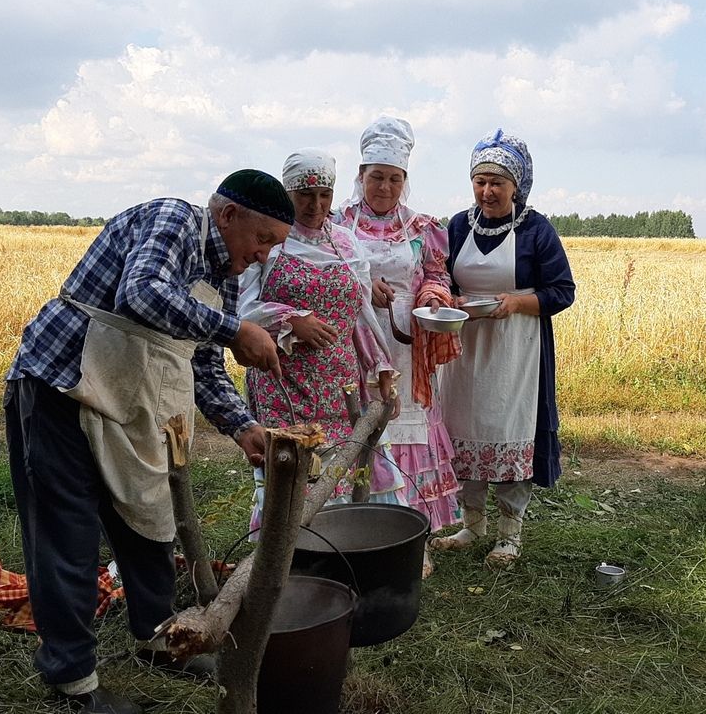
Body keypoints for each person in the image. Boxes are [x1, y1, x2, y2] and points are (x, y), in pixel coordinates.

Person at [4, 170, 292, 714]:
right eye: (262, 240)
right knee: (67, 534)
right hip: (62, 385)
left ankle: (157, 638)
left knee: (150, 520)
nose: (262, 256)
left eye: (273, 247)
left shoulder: (222, 278)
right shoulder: (175, 219)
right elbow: (142, 292)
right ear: (227, 215)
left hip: (132, 405)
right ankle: (74, 683)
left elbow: (202, 363)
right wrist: (236, 331)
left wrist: (242, 426)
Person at [430, 130, 576, 569]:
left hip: (517, 350)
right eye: (480, 181)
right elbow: (440, 279)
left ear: (516, 186)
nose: (487, 191)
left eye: (497, 182)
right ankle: (471, 525)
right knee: (463, 429)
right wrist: (446, 300)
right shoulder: (457, 225)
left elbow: (562, 291)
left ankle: (509, 534)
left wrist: (515, 303)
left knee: (510, 431)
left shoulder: (536, 230)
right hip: (463, 347)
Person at [239, 148, 404, 533]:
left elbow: (360, 314)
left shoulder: (346, 244)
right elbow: (243, 310)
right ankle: (285, 562)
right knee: (292, 472)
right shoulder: (271, 241)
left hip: (340, 384)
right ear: (287, 194)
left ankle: (339, 550)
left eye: (324, 194)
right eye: (305, 194)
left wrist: (379, 367)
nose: (316, 204)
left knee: (341, 471)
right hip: (284, 380)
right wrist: (292, 320)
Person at [334, 115, 462, 578]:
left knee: (408, 428)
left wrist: (431, 297)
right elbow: (329, 270)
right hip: (356, 340)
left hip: (407, 341)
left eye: (393, 178)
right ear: (361, 176)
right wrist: (363, 284)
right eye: (376, 177)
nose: (384, 187)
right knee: (361, 427)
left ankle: (414, 537)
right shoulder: (338, 223)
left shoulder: (423, 227)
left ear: (404, 181)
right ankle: (354, 525)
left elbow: (437, 275)